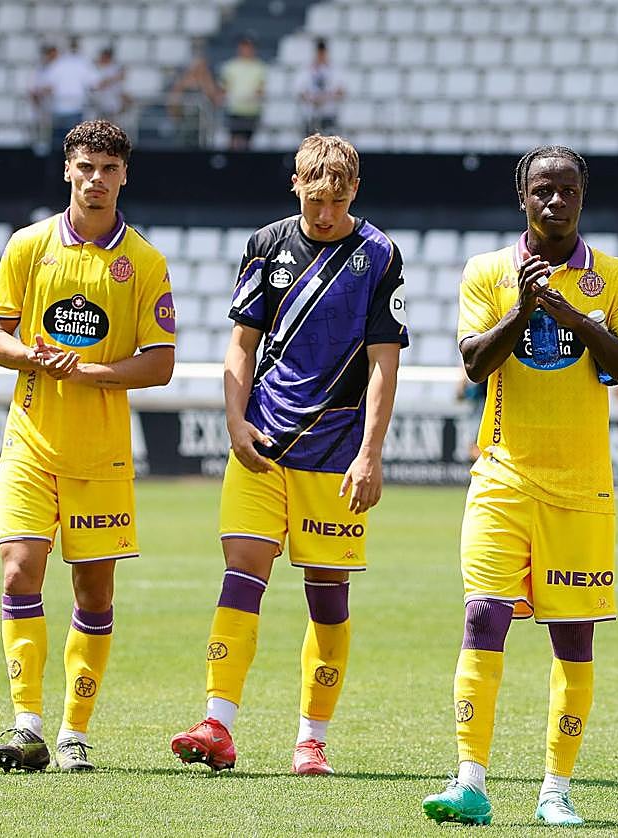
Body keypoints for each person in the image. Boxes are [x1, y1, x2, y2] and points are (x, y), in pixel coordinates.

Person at [420, 145, 618, 827]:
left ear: (583, 197)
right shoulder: (488, 271)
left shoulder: (615, 277)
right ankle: (470, 779)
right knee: (482, 615)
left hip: (582, 487)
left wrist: (577, 318)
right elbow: (473, 363)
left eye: (567, 191)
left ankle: (557, 787)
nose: (554, 202)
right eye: (542, 191)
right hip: (501, 474)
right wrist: (524, 309)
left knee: (572, 639)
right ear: (522, 197)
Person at [168, 135, 407, 775]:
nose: (324, 212)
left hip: (335, 454)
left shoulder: (380, 255)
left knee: (326, 598)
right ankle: (218, 723)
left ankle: (312, 738)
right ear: (295, 186)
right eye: (314, 197)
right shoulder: (267, 245)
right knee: (242, 576)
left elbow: (385, 365)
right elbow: (241, 345)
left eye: (336, 199)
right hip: (262, 447)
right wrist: (235, 423)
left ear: (353, 191)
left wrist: (371, 454)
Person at [0, 120, 176, 773]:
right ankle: (27, 723)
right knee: (17, 572)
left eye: (108, 170)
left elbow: (160, 364)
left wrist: (95, 372)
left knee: (94, 594)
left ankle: (74, 732)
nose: (96, 180)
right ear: (69, 169)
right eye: (86, 167)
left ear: (125, 175)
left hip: (102, 456)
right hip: (31, 442)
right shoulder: (28, 246)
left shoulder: (145, 262)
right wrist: (34, 359)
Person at [41, 39, 98, 150]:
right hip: (76, 108)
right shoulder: (84, 63)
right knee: (75, 147)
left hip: (59, 108)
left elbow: (47, 86)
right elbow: (94, 85)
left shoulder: (59, 62)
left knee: (58, 146)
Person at [166, 41, 222, 148]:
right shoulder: (183, 81)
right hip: (185, 122)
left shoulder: (207, 80)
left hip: (203, 124)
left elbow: (215, 100)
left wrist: (203, 81)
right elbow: (173, 100)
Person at [219, 35, 266, 151]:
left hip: (252, 111)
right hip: (234, 110)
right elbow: (224, 88)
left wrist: (249, 97)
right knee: (233, 142)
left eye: (249, 47)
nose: (246, 49)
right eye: (244, 46)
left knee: (248, 144)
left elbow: (260, 89)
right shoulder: (229, 67)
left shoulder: (260, 67)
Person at [298, 38, 344, 137]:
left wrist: (324, 99)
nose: (321, 55)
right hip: (311, 115)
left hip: (329, 114)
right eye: (319, 52)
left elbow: (341, 91)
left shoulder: (334, 69)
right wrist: (313, 100)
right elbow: (301, 92)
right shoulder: (307, 69)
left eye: (322, 52)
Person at [91, 47, 131, 123]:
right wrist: (114, 78)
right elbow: (98, 85)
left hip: (113, 106)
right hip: (99, 105)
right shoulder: (95, 69)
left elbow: (122, 81)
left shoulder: (114, 68)